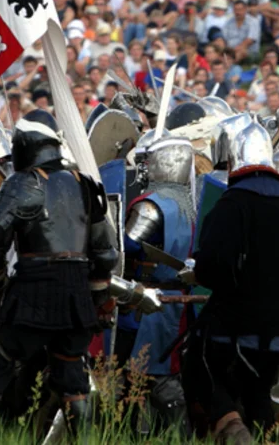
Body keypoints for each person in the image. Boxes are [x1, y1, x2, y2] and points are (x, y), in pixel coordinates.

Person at [0, 109, 118, 441]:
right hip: (76, 294)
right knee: (73, 378)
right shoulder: (84, 183)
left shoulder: (23, 183)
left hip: (33, 291)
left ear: (25, 145)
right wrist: (97, 300)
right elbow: (105, 254)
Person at [180, 121, 279, 444]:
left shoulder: (232, 205)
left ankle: (233, 429)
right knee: (258, 393)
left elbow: (212, 266)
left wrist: (210, 276)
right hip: (278, 328)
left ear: (235, 160)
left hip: (230, 328)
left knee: (198, 363)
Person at [116, 136, 198, 434]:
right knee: (162, 372)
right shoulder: (190, 206)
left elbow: (126, 247)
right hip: (178, 300)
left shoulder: (151, 206)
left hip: (145, 303)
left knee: (145, 376)